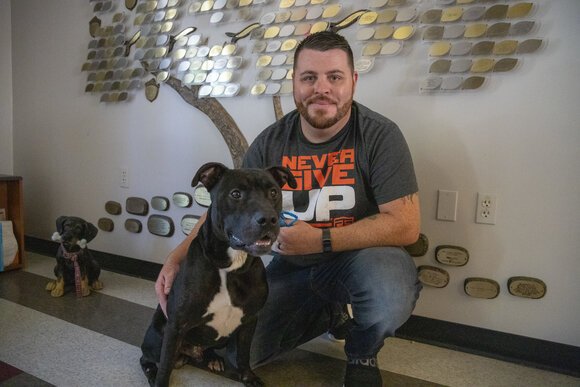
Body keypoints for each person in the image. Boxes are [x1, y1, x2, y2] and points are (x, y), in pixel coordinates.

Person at [156, 31, 422, 386]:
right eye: (309, 77)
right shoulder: (270, 142)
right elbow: (224, 206)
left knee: (388, 289)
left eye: (335, 77)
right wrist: (177, 256)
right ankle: (329, 313)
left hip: (360, 262)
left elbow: (405, 225)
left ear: (353, 82)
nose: (321, 88)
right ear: (295, 83)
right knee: (238, 353)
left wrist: (321, 241)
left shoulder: (379, 135)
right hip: (291, 268)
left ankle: (361, 352)